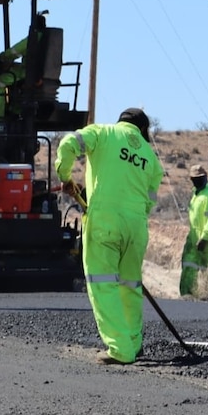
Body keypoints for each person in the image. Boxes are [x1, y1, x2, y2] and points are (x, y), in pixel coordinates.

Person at [55, 108, 163, 365]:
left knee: (103, 283)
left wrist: (64, 175)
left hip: (105, 221)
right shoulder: (149, 156)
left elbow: (69, 143)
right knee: (130, 286)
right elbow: (150, 196)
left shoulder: (103, 133)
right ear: (142, 130)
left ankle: (120, 349)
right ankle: (134, 344)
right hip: (136, 227)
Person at [179, 164, 208, 296]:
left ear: (206, 177)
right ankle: (187, 295)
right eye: (195, 179)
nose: (197, 181)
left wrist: (205, 237)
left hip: (207, 240)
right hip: (193, 237)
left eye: (200, 178)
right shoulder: (196, 195)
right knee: (189, 265)